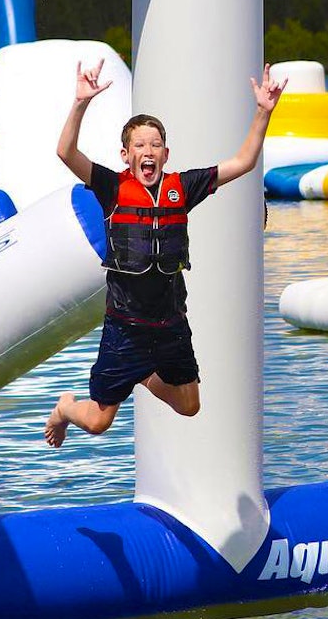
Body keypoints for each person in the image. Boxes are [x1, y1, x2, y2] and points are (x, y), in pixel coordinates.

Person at [44, 59, 287, 447]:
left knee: (190, 405)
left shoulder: (183, 188)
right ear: (126, 155)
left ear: (166, 153)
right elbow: (65, 151)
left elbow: (244, 162)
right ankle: (64, 408)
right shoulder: (111, 187)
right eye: (139, 145)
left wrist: (263, 111)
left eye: (155, 145)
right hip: (125, 328)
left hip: (170, 323)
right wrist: (80, 102)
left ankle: (143, 373)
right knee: (98, 422)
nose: (148, 151)